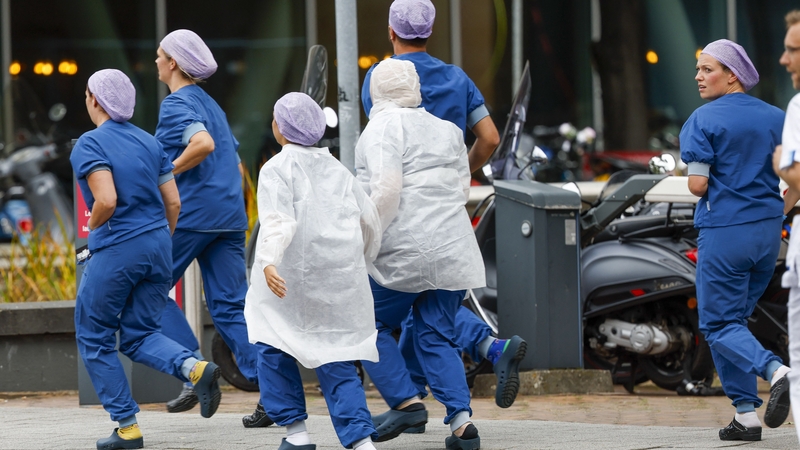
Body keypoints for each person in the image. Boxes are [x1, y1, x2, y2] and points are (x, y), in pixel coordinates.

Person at [361, 0, 526, 413]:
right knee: (432, 310)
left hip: (400, 218)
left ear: (391, 31)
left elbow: (383, 151)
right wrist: (459, 172)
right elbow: (490, 138)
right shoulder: (457, 78)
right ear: (431, 31)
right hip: (446, 214)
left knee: (385, 309)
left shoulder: (381, 78)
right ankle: (471, 376)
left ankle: (409, 401)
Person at [71, 69, 221, 450]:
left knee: (94, 335)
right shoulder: (150, 142)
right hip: (157, 248)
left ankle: (127, 427)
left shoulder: (90, 143)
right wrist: (159, 240)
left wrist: (95, 229)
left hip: (117, 249)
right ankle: (194, 367)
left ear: (94, 100)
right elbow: (174, 202)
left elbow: (106, 200)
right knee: (141, 335)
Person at [356, 57, 485, 450]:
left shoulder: (381, 128)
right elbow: (461, 186)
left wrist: (364, 240)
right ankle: (462, 425)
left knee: (366, 325)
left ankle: (406, 403)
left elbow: (386, 191)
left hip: (403, 249)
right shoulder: (447, 130)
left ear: (375, 91)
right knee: (436, 335)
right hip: (452, 248)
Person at [244, 92, 381, 450]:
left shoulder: (276, 168)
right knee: (337, 357)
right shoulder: (338, 170)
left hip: (287, 282)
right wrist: (359, 260)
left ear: (280, 128)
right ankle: (362, 442)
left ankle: (297, 435)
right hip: (337, 282)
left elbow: (277, 221)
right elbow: (369, 221)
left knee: (273, 347)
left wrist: (268, 261)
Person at [153, 29, 270, 428]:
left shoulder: (176, 103)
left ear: (172, 63)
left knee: (149, 286)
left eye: (159, 55)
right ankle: (273, 393)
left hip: (192, 215)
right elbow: (235, 164)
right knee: (231, 305)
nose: (155, 61)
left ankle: (193, 369)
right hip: (229, 215)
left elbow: (203, 144)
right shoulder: (211, 104)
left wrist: (164, 173)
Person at [680, 39, 792, 442]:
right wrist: (778, 210)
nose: (698, 76)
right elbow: (794, 178)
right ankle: (746, 415)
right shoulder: (778, 117)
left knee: (717, 323)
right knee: (732, 323)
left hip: (725, 232)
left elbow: (697, 185)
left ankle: (778, 371)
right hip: (768, 235)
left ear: (732, 75)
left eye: (707, 69)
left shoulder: (702, 119)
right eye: (698, 69)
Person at [773, 9, 800, 445]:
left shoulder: (798, 105)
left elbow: (795, 175)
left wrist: (782, 163)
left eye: (793, 49)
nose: (784, 59)